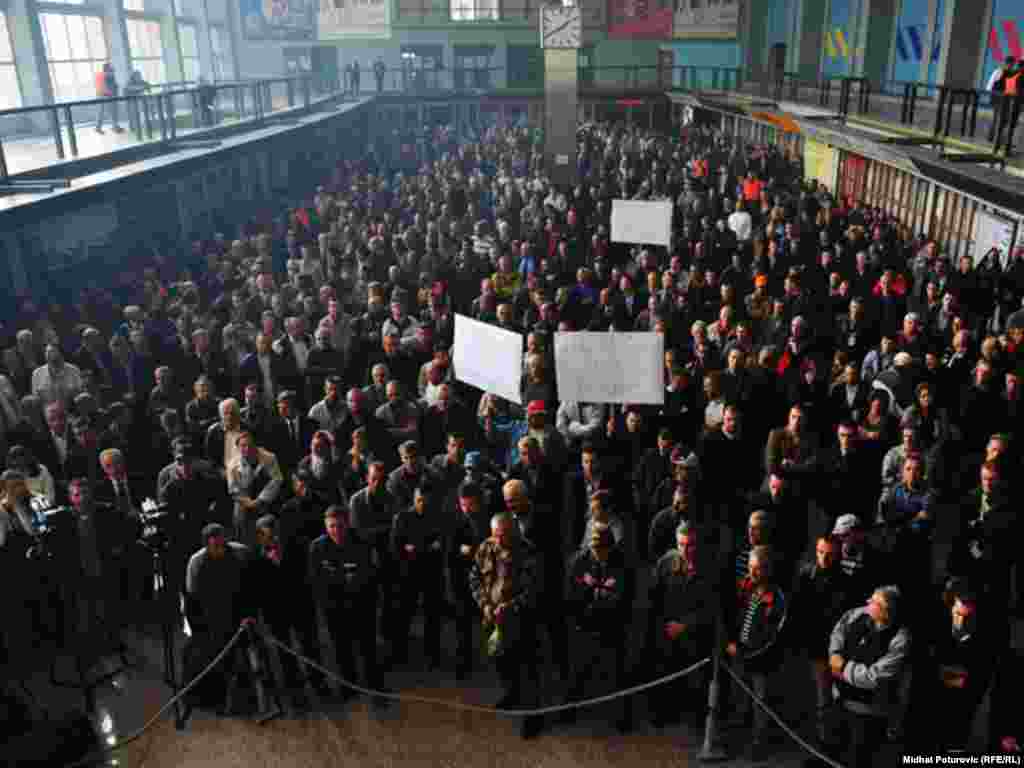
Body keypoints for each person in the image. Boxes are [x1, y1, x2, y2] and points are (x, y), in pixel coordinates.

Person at [469, 512, 544, 739]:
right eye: (495, 535)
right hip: (492, 617)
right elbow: (474, 577)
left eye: (503, 536)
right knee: (501, 660)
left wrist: (510, 607)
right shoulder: (486, 548)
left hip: (521, 620)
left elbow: (534, 590)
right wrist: (484, 604)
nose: (499, 541)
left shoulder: (528, 551)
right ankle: (512, 694)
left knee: (527, 668)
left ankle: (533, 717)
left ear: (513, 531)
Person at [308, 506, 386, 706]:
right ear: (326, 526)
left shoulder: (363, 543)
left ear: (348, 524)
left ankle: (375, 687)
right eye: (331, 526)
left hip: (362, 606)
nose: (336, 530)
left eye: (340, 526)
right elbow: (315, 580)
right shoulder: (317, 548)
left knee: (368, 648)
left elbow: (373, 576)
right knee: (341, 650)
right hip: (335, 609)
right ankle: (348, 686)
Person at [826, 585, 911, 768]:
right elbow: (839, 630)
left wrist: (843, 666)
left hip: (868, 712)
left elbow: (874, 677)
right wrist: (835, 653)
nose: (868, 603)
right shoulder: (859, 614)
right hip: (840, 700)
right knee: (833, 751)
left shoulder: (900, 638)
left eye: (874, 602)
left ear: (886, 612)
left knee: (858, 759)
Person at [95, 62, 124, 134]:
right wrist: (113, 92)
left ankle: (114, 126)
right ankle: (100, 128)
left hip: (106, 96)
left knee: (110, 111)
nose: (112, 71)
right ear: (107, 69)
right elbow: (107, 87)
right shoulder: (104, 75)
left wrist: (115, 89)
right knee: (106, 112)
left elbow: (113, 85)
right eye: (111, 69)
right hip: (105, 96)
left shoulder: (106, 75)